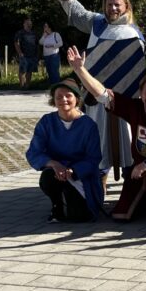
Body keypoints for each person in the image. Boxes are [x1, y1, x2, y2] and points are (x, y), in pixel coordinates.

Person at [67, 47, 146, 222]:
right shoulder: (135, 108)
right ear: (141, 93)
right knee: (121, 215)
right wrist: (80, 70)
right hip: (139, 167)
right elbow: (102, 95)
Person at [51, 0, 144, 178]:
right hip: (95, 95)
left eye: (117, 5)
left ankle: (132, 187)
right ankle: (95, 190)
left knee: (128, 144)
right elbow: (78, 13)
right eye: (109, 4)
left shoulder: (134, 33)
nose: (113, 8)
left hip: (125, 100)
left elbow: (136, 68)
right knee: (98, 145)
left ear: (126, 7)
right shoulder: (97, 23)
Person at [26, 78, 103, 222]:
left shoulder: (88, 125)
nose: (64, 100)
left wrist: (73, 170)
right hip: (56, 173)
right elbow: (34, 152)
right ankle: (57, 205)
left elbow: (94, 158)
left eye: (68, 95)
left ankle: (71, 200)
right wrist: (54, 164)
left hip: (81, 176)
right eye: (59, 96)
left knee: (80, 217)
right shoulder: (46, 122)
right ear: (53, 100)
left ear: (77, 98)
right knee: (47, 178)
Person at [14, 17, 39, 89]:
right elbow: (16, 43)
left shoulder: (34, 33)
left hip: (32, 55)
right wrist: (20, 53)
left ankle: (27, 86)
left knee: (30, 71)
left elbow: (37, 44)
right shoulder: (20, 33)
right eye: (27, 23)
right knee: (22, 71)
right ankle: (22, 86)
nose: (29, 25)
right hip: (24, 55)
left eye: (30, 24)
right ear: (24, 24)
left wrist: (37, 54)